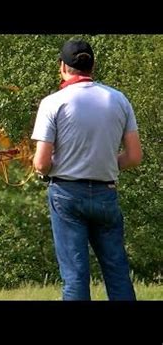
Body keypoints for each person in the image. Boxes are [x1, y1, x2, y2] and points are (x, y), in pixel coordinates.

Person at [31, 39, 142, 300]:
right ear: (93, 66)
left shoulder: (53, 102)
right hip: (106, 192)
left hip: (67, 194)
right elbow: (135, 156)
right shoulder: (119, 99)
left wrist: (59, 165)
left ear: (62, 67)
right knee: (117, 274)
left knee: (75, 277)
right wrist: (101, 162)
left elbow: (41, 163)